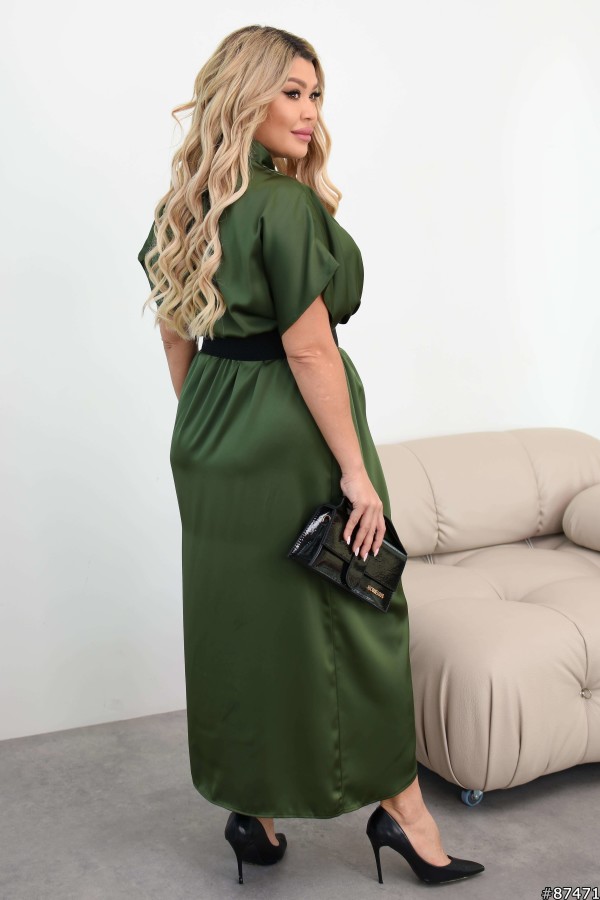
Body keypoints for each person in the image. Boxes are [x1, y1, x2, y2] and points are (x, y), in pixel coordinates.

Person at [137, 24, 485, 888]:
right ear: (244, 95)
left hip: (211, 439)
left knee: (242, 625)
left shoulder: (185, 208)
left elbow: (177, 337)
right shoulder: (286, 208)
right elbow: (309, 349)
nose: (309, 111)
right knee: (362, 610)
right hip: (295, 439)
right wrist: (357, 475)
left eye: (316, 95)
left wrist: (207, 429)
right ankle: (406, 816)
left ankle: (250, 815)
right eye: (290, 92)